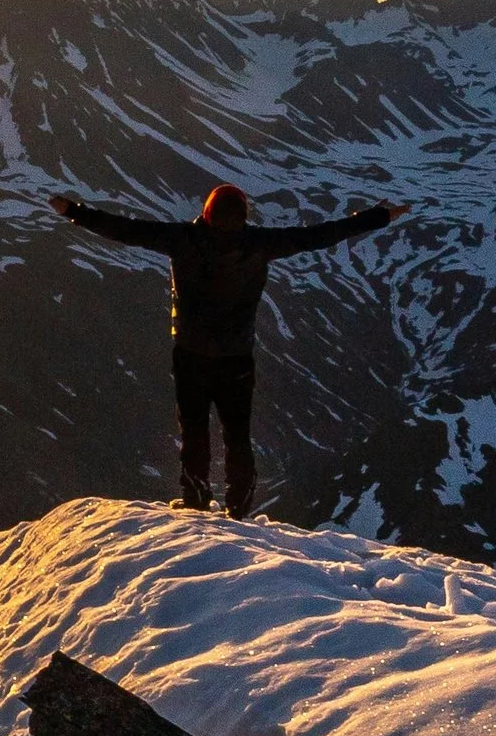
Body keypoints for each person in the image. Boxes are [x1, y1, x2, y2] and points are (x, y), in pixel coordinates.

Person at [48, 183, 408, 517]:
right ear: (244, 216)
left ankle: (195, 498)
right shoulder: (259, 244)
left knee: (194, 428)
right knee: (237, 432)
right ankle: (238, 505)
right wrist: (377, 217)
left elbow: (126, 230)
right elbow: (318, 236)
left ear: (206, 213)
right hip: (236, 357)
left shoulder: (181, 239)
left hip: (191, 353)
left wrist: (73, 211)